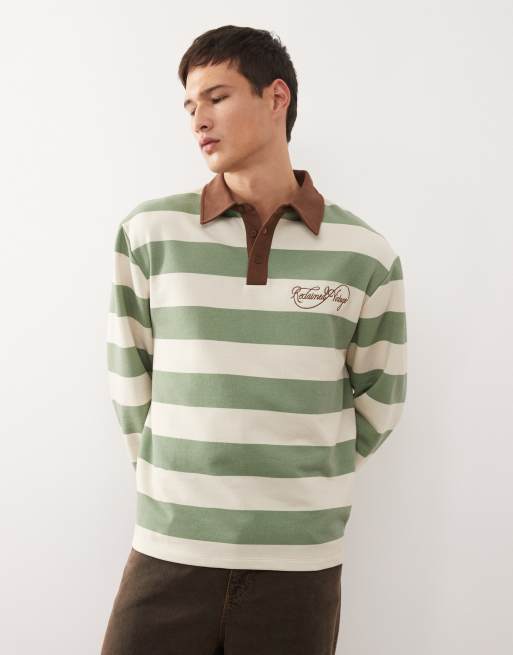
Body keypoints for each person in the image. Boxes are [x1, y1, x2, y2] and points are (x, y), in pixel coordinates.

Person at [101, 24, 407, 655]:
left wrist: (301, 480)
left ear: (276, 98)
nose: (198, 120)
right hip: (170, 547)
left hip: (299, 563)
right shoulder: (150, 234)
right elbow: (130, 376)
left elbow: (380, 399)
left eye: (217, 97)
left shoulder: (365, 254)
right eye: (190, 105)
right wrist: (176, 479)